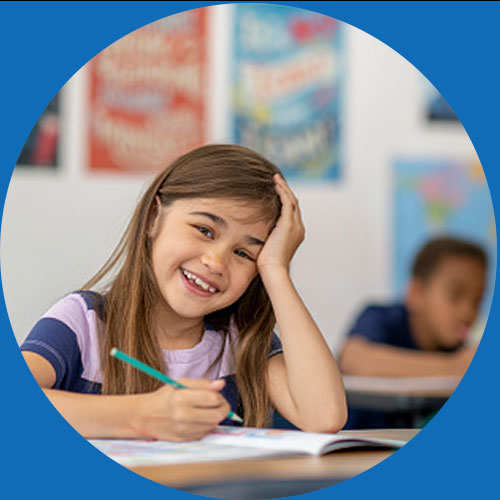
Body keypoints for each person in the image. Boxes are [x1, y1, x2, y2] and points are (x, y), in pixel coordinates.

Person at [21, 144, 347, 441]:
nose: (216, 262)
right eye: (204, 230)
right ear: (153, 218)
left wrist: (276, 270)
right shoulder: (84, 322)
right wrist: (142, 416)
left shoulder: (241, 342)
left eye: (245, 254)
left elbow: (324, 416)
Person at [339, 236, 488, 428]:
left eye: (477, 300)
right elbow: (354, 360)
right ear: (416, 292)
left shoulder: (461, 348)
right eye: (454, 295)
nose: (468, 312)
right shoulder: (382, 318)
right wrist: (454, 367)